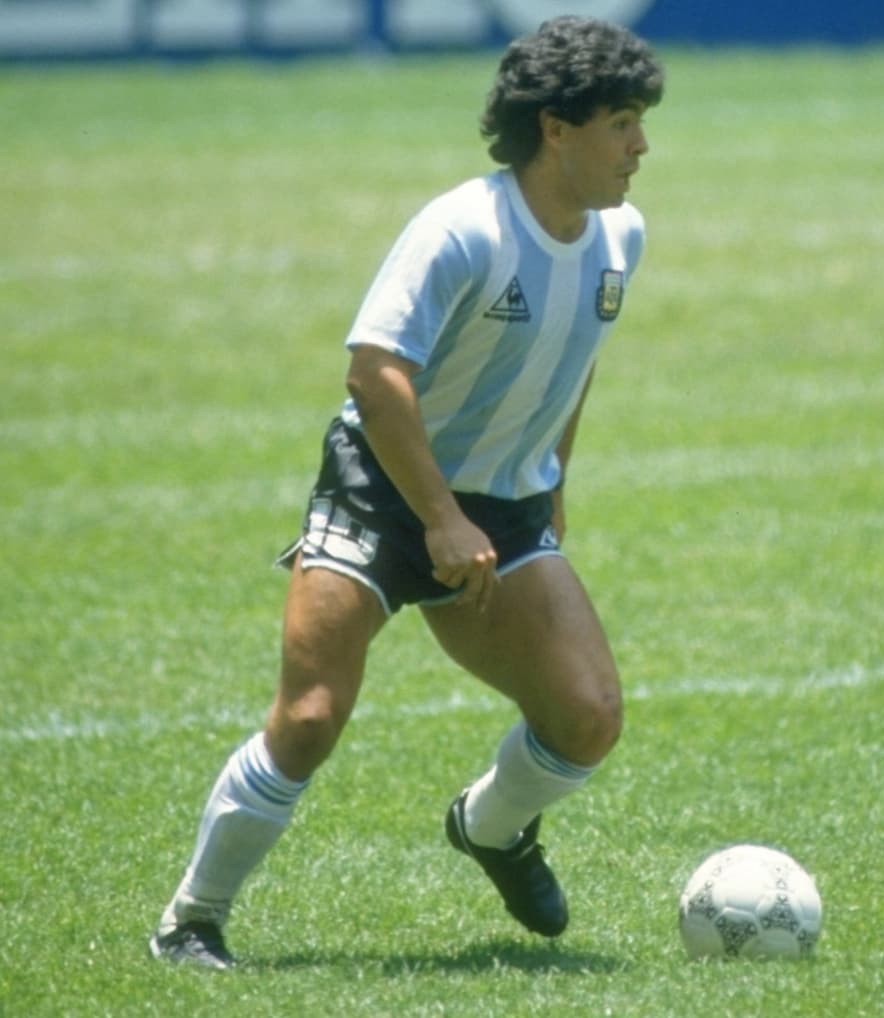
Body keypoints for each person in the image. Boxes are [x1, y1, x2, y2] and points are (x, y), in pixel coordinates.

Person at [149, 15, 664, 970]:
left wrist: (553, 484)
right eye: (622, 123)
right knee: (309, 717)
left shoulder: (620, 236)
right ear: (556, 129)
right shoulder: (463, 228)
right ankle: (192, 919)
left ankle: (490, 828)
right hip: (384, 493)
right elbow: (375, 372)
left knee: (587, 716)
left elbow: (574, 360)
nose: (641, 146)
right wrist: (439, 517)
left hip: (502, 509)